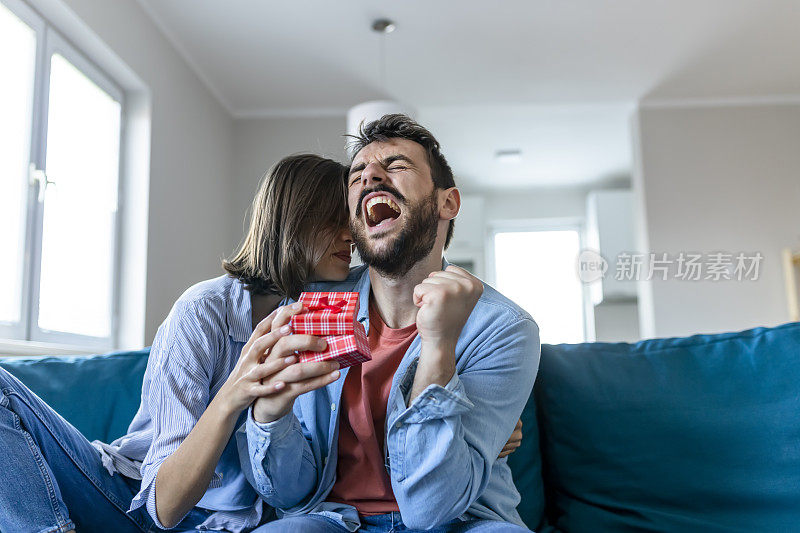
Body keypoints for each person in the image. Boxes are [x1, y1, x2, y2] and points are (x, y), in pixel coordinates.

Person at [0, 153, 522, 533]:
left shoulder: (332, 315)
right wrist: (236, 391)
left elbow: (351, 432)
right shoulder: (204, 311)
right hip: (132, 499)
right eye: (334, 216)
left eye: (353, 217)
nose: (351, 232)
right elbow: (160, 508)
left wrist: (473, 422)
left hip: (246, 520)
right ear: (293, 221)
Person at [241, 115, 540, 533]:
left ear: (447, 203)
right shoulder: (314, 303)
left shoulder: (503, 328)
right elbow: (289, 494)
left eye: (397, 166)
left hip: (462, 520)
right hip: (332, 520)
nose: (370, 176)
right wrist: (271, 414)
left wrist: (437, 347)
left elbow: (433, 508)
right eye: (357, 174)